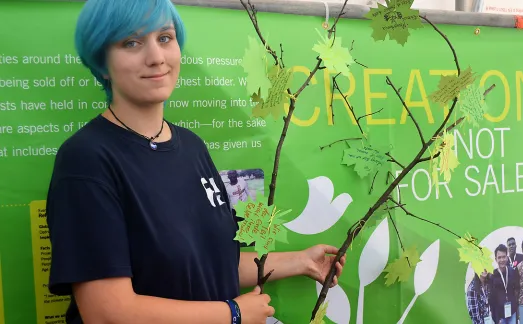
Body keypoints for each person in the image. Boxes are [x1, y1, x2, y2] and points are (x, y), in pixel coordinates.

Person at [45, 1, 345, 323]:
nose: (157, 57)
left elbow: (214, 264)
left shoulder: (191, 146)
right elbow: (107, 312)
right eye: (131, 43)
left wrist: (302, 262)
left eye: (165, 38)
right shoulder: (87, 160)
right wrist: (233, 314)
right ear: (101, 62)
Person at [490, 244, 519, 324]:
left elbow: (516, 290)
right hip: (500, 317)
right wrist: (496, 318)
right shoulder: (493, 276)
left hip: (512, 312)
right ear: (496, 259)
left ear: (507, 257)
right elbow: (492, 299)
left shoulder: (512, 272)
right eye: (499, 257)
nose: (502, 260)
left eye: (504, 256)